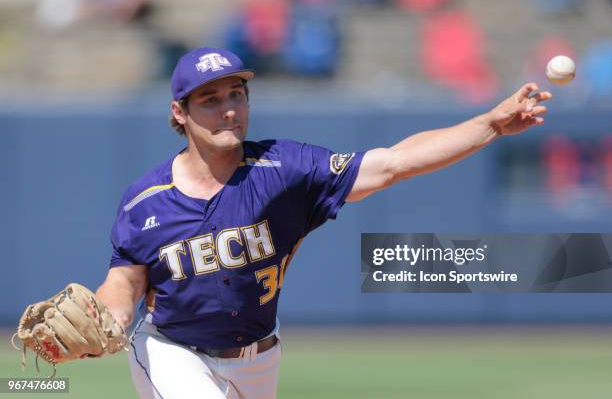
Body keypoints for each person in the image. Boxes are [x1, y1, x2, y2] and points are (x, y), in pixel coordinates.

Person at [95, 46, 551, 398]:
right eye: (210, 100)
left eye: (237, 94)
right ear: (180, 112)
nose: (229, 109)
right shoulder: (146, 200)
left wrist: (490, 123)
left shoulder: (285, 169)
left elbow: (394, 163)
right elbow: (126, 277)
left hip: (259, 357)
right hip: (173, 349)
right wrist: (113, 314)